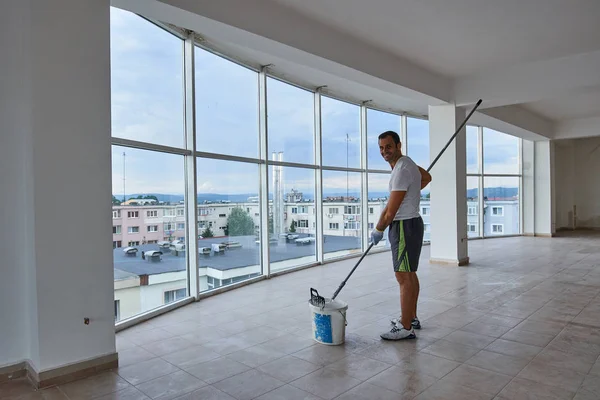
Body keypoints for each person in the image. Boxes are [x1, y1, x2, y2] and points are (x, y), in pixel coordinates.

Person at [370, 130, 431, 340]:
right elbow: (427, 177)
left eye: (388, 146)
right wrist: (412, 190)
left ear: (398, 145)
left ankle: (405, 327)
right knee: (410, 274)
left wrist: (378, 229)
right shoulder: (407, 164)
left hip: (404, 226)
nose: (384, 151)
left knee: (403, 276)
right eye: (381, 148)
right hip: (412, 222)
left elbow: (390, 212)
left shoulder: (402, 169)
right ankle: (411, 317)